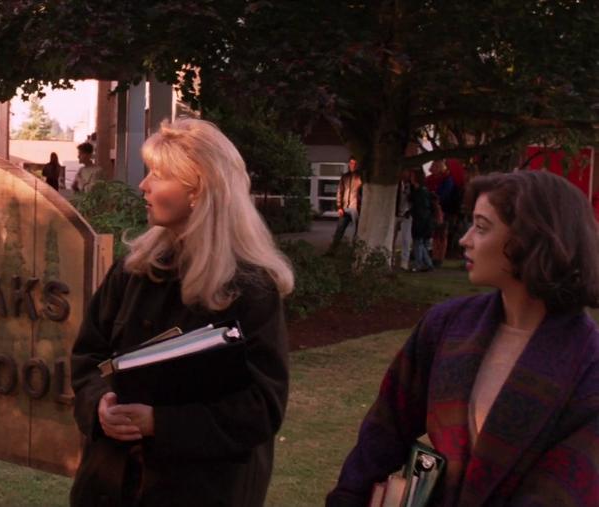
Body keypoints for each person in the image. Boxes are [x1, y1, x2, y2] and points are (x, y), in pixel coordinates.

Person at [327, 170, 599, 506]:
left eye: (482, 227)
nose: (464, 239)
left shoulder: (588, 360)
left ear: (531, 239)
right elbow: (386, 428)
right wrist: (349, 496)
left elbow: (567, 485)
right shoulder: (448, 325)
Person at [70, 118, 292, 507]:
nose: (144, 186)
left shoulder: (252, 289)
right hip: (110, 486)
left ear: (198, 190)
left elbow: (262, 407)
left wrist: (161, 424)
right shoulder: (133, 270)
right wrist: (99, 403)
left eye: (158, 174)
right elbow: (88, 357)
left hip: (202, 491)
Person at [329, 156, 363, 252]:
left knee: (356, 231)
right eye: (351, 163)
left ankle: (355, 252)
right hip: (345, 207)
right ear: (349, 164)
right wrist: (339, 207)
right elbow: (340, 191)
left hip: (355, 207)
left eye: (355, 163)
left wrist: (360, 205)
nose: (353, 165)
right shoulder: (345, 177)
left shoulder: (360, 177)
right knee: (339, 229)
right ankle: (332, 251)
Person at [409, 169, 434, 272]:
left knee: (418, 242)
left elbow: (421, 208)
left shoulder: (420, 192)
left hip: (421, 220)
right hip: (422, 219)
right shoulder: (420, 191)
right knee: (420, 243)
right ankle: (427, 263)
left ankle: (420, 264)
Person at [394, 168, 413, 271]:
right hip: (396, 213)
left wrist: (410, 210)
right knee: (392, 237)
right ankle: (390, 258)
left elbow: (414, 199)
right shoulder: (396, 184)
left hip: (407, 214)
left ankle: (404, 262)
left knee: (406, 239)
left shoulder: (412, 185)